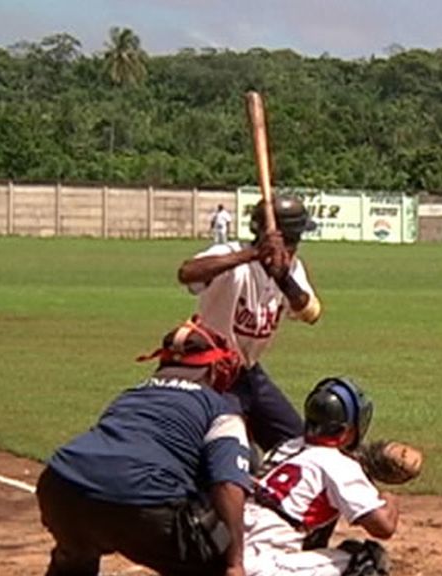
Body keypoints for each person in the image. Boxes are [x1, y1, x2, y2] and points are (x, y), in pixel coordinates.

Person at [36, 317, 253, 576]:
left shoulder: (131, 395)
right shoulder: (220, 409)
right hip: (141, 500)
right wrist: (233, 563)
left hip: (60, 485)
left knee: (78, 548)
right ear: (214, 368)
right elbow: (227, 483)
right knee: (214, 558)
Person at [177, 195, 321, 453]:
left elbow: (310, 312)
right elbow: (187, 273)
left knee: (299, 444)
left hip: (248, 372)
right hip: (212, 373)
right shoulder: (230, 255)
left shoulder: (290, 267)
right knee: (235, 452)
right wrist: (253, 254)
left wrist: (283, 279)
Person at [244, 376, 399, 576]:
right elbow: (384, 526)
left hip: (229, 558)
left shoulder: (285, 448)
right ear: (347, 431)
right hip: (265, 567)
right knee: (367, 559)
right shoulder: (337, 464)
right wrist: (389, 498)